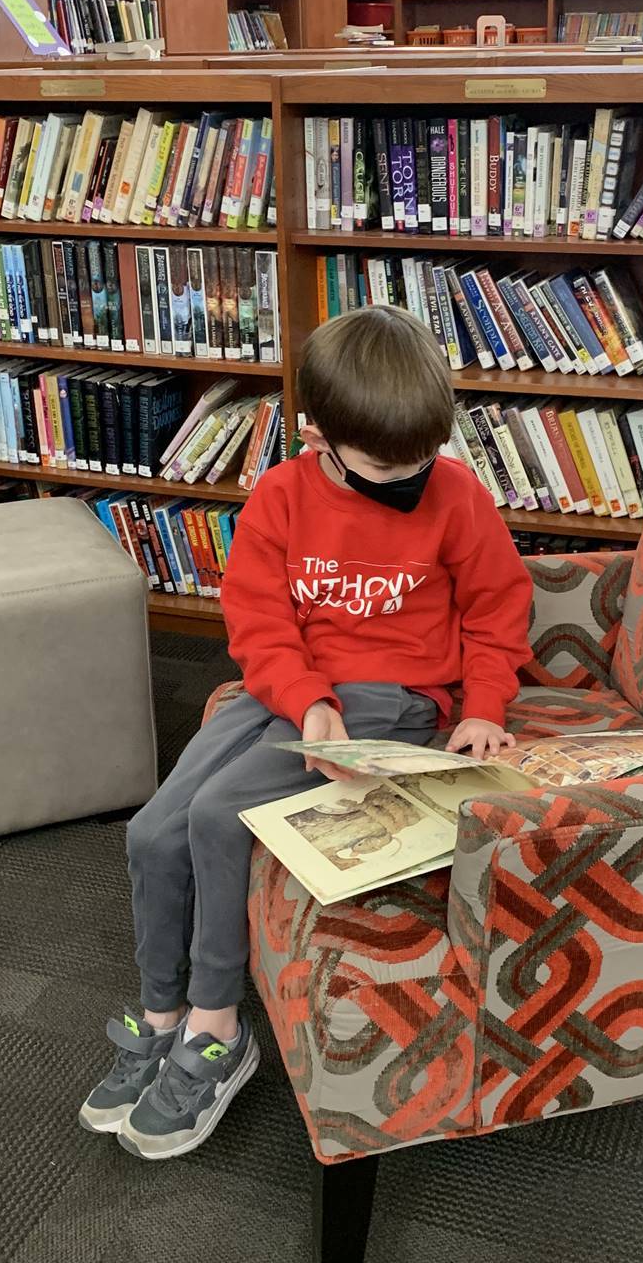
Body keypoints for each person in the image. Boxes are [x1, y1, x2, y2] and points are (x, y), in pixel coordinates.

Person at [79, 305, 534, 1160]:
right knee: (152, 831)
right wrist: (303, 697)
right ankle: (162, 1008)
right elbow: (256, 621)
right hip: (288, 693)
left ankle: (217, 1028)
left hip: (395, 698)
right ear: (316, 433)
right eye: (380, 466)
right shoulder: (282, 496)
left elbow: (498, 606)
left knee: (219, 817)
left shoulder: (456, 496)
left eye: (421, 460)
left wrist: (483, 707)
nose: (407, 479)